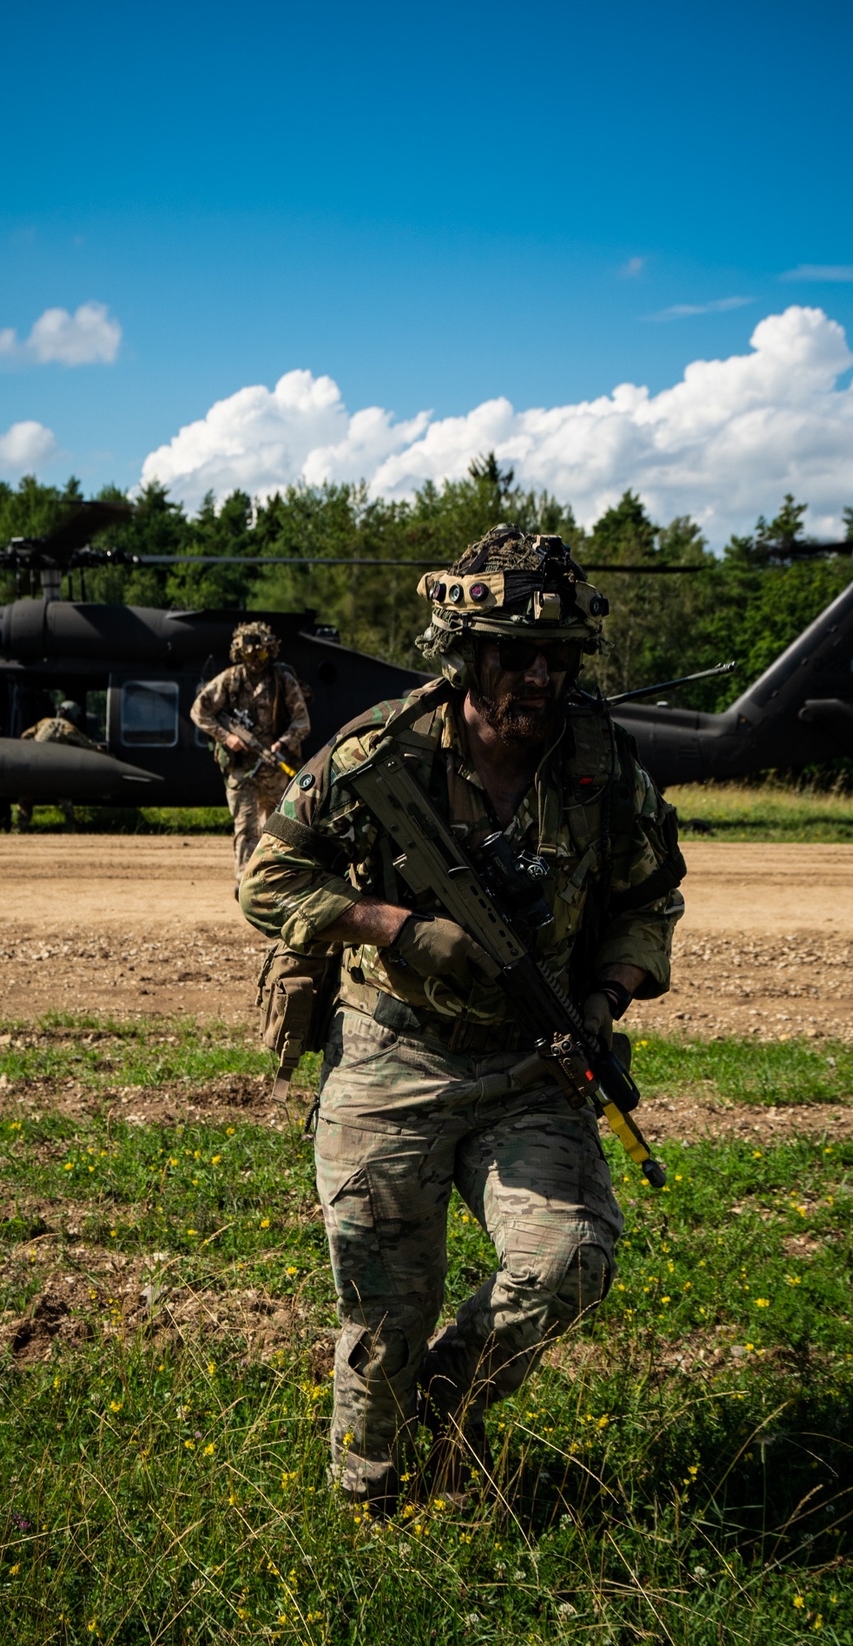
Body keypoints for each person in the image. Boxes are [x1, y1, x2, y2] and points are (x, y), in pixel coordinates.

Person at [239, 527, 685, 1514]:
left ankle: (446, 1401)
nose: (539, 674)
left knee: (568, 1262)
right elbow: (268, 876)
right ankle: (370, 1505)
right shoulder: (378, 750)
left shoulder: (601, 765)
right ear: (465, 649)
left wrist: (605, 1000)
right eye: (514, 653)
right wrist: (392, 925)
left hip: (533, 1062)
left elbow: (649, 895)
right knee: (384, 1312)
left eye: (559, 657)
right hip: (390, 1052)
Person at [191, 621, 311, 886]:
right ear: (239, 654)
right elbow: (199, 711)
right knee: (245, 828)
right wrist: (227, 737)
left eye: (261, 655)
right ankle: (247, 884)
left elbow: (302, 724)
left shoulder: (282, 681)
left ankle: (279, 880)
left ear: (270, 651)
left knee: (282, 827)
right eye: (249, 656)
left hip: (277, 770)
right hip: (241, 769)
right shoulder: (230, 680)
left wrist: (282, 743)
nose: (256, 662)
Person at [16, 700, 105, 832]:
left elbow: (24, 736)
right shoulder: (67, 727)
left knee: (25, 799)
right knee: (65, 799)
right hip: (52, 769)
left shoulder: (44, 722)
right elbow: (86, 744)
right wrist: (104, 753)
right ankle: (71, 828)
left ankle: (21, 828)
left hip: (34, 767)